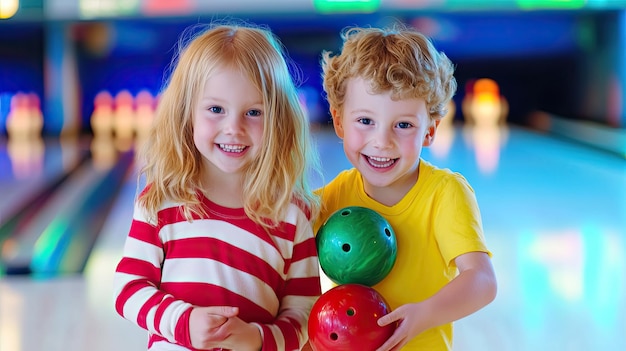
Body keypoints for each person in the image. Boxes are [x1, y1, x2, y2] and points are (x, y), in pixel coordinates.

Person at [113, 21, 322, 351]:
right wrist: (184, 322)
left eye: (253, 112)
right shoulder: (161, 201)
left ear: (279, 119)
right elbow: (128, 289)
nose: (233, 128)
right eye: (215, 110)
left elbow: (303, 314)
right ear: (187, 114)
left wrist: (257, 338)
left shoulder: (292, 214)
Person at [314, 23, 497, 351]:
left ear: (430, 131)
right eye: (366, 121)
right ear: (339, 120)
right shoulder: (334, 195)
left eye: (403, 125)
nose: (381, 142)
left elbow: (482, 281)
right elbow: (276, 234)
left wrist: (425, 314)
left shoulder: (444, 193)